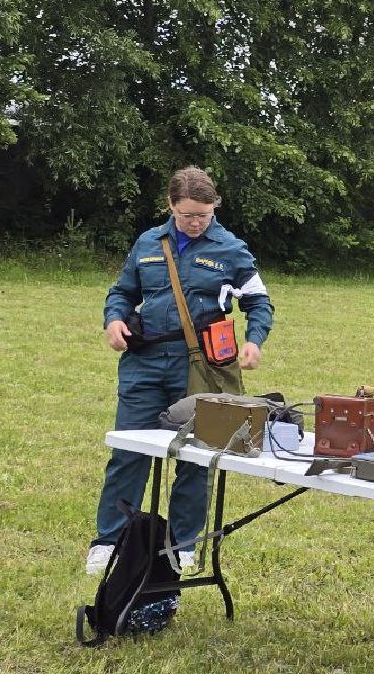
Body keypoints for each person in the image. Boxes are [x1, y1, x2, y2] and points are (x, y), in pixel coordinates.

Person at [86, 166, 273, 577]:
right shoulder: (148, 243)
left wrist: (254, 340)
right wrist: (113, 320)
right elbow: (122, 292)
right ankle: (109, 541)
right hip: (144, 363)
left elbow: (259, 302)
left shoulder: (231, 249)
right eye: (187, 214)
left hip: (201, 367)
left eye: (204, 215)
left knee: (197, 455)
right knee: (129, 452)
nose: (195, 222)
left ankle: (184, 544)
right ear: (171, 205)